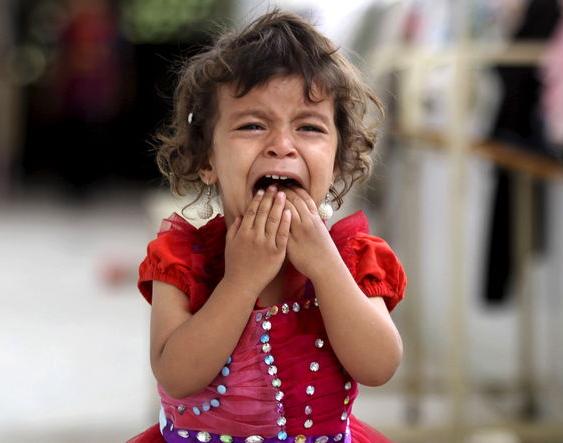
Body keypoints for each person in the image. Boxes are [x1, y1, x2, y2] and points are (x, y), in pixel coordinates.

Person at [130, 10, 406, 443]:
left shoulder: (352, 258)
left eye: (309, 127)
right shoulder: (182, 260)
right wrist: (241, 280)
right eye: (253, 125)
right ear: (207, 160)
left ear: (335, 164)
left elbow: (379, 367)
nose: (281, 146)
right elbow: (176, 375)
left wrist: (324, 266)